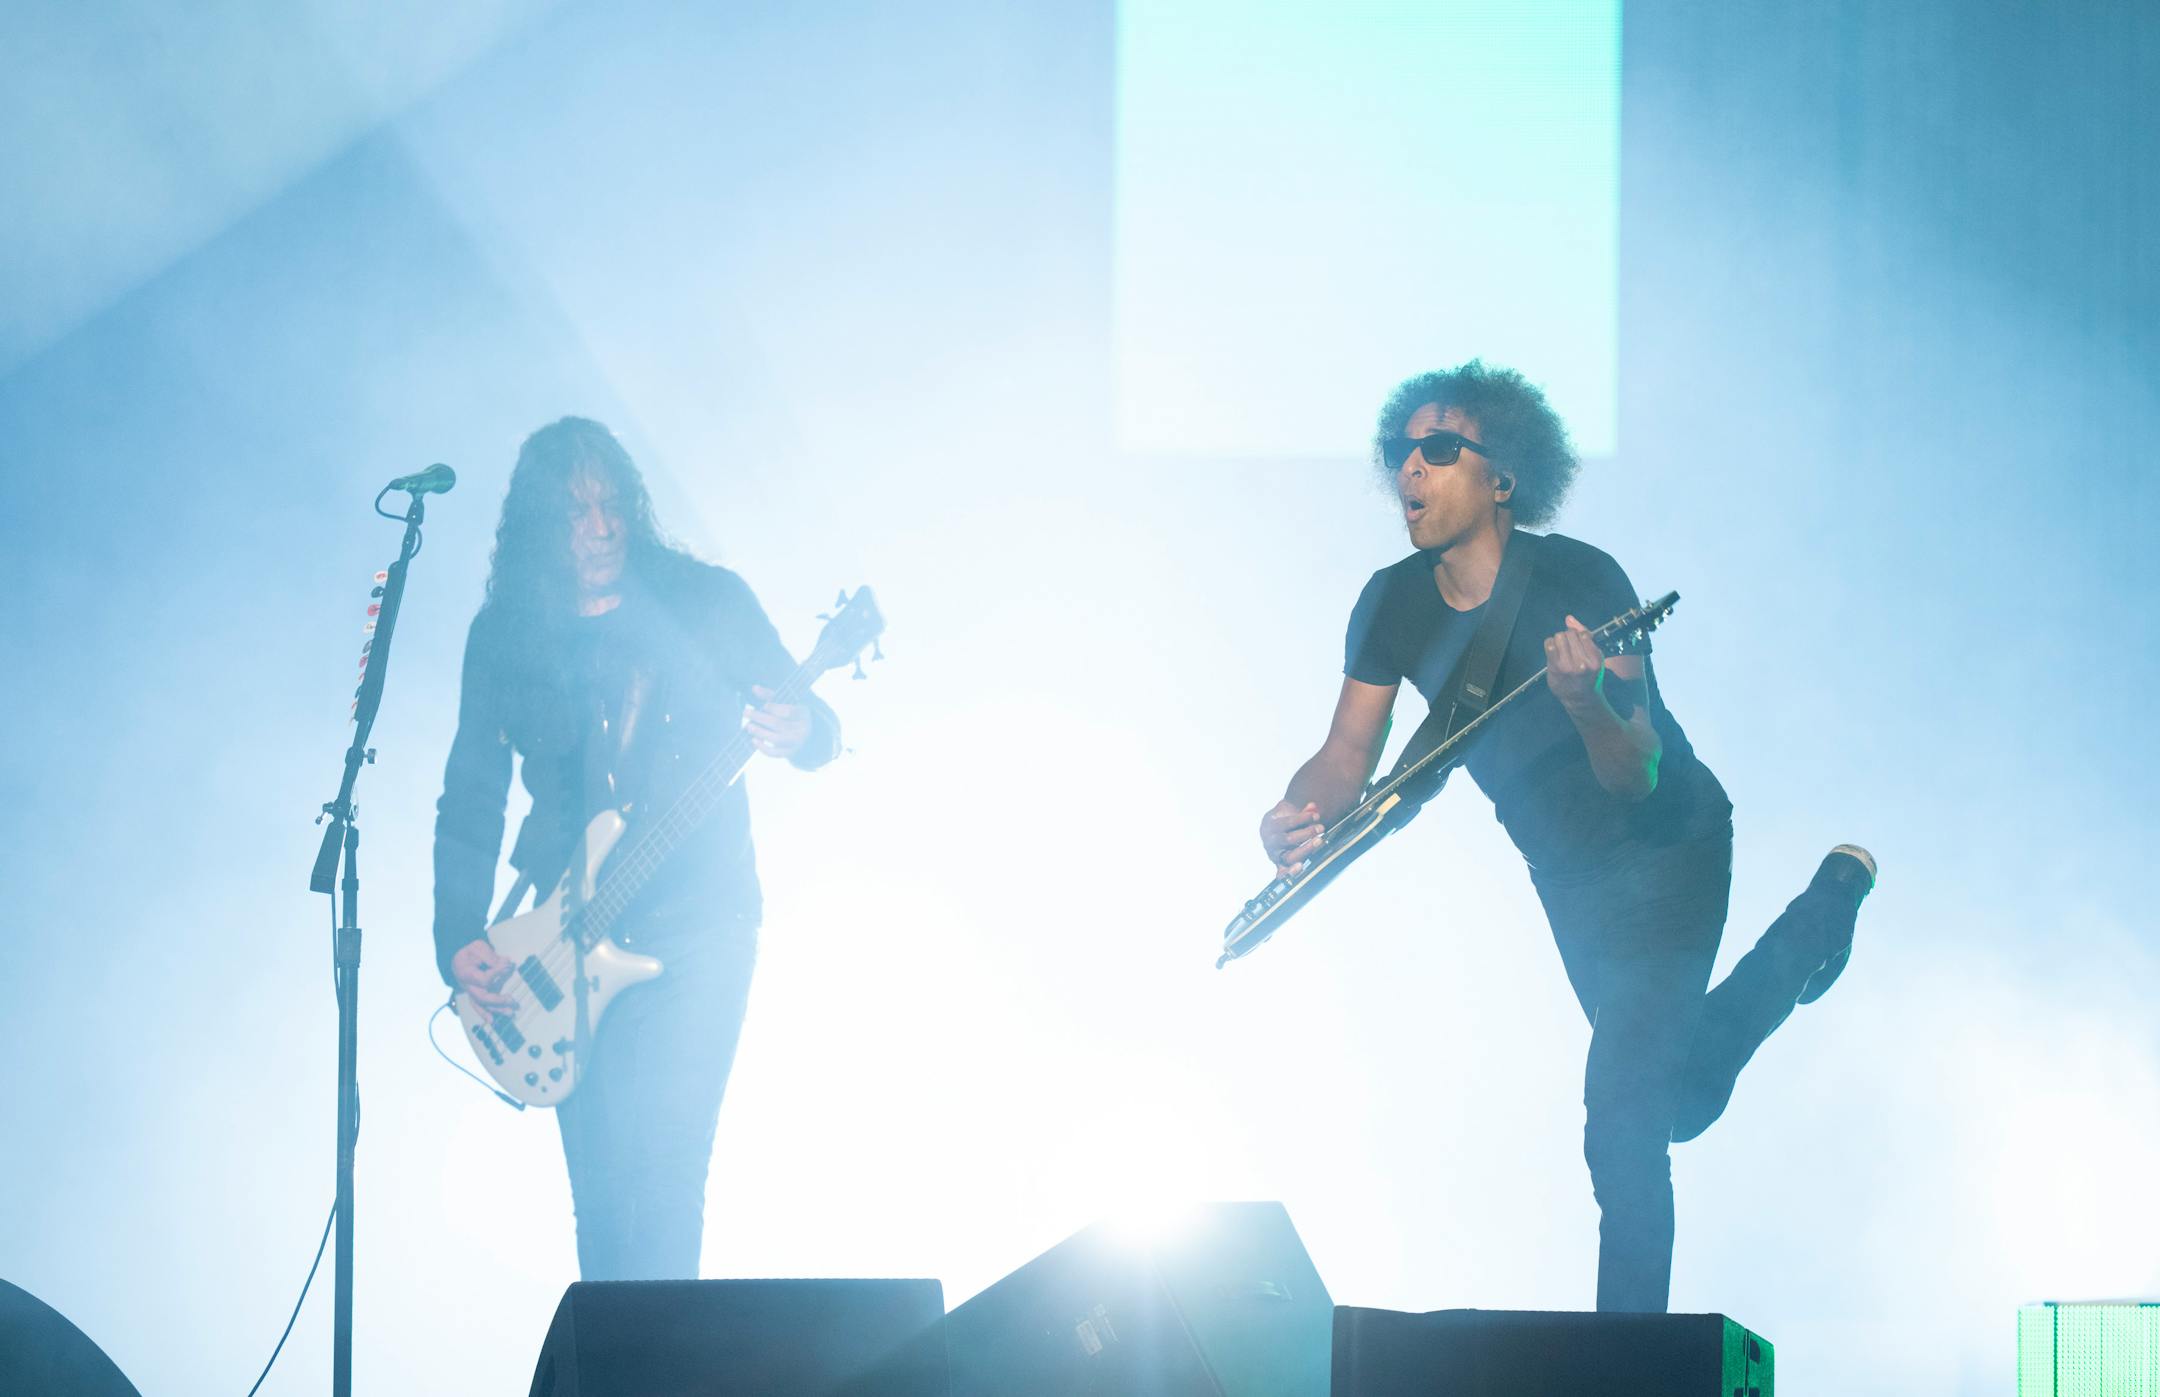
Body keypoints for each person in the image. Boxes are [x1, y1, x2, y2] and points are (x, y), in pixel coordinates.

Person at [1259, 362, 1875, 1312]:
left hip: (1668, 851)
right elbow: (1346, 755)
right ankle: (1815, 925)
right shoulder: (1390, 603)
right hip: (1573, 886)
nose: (1410, 472)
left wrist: (1587, 703)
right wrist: (1292, 813)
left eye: (1438, 449)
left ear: (1502, 478)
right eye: (1400, 453)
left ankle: (1624, 1367)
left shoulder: (1587, 579)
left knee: (1622, 1116)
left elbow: (1638, 771)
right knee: (1681, 1098)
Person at [432, 416, 841, 1281]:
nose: (602, 528)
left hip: (700, 919)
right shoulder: (506, 634)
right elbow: (471, 793)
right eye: (577, 514)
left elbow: (808, 716)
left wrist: (806, 727)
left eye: (611, 506)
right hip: (563, 936)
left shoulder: (704, 601)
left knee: (665, 1171)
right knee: (607, 1200)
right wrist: (458, 931)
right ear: (541, 527)